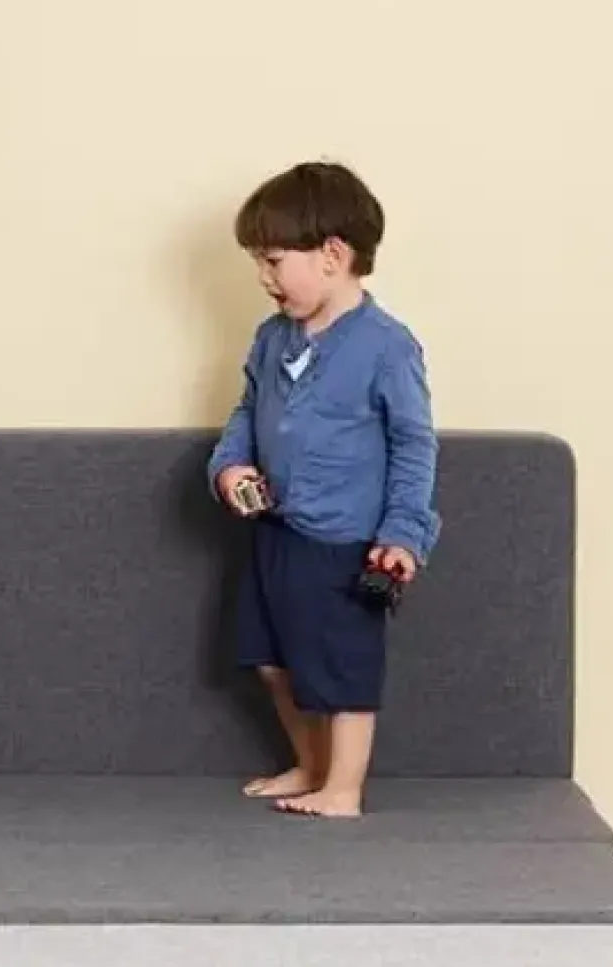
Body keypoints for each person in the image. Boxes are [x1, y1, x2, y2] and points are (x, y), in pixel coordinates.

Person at [208, 161, 439, 818]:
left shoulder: (387, 347)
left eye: (274, 261)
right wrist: (229, 466)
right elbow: (247, 411)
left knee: (342, 668)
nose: (263, 277)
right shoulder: (272, 338)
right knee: (271, 658)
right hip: (277, 528)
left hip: (345, 540)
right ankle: (311, 765)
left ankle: (344, 787)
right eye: (258, 261)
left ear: (333, 255)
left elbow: (414, 444)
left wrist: (403, 533)